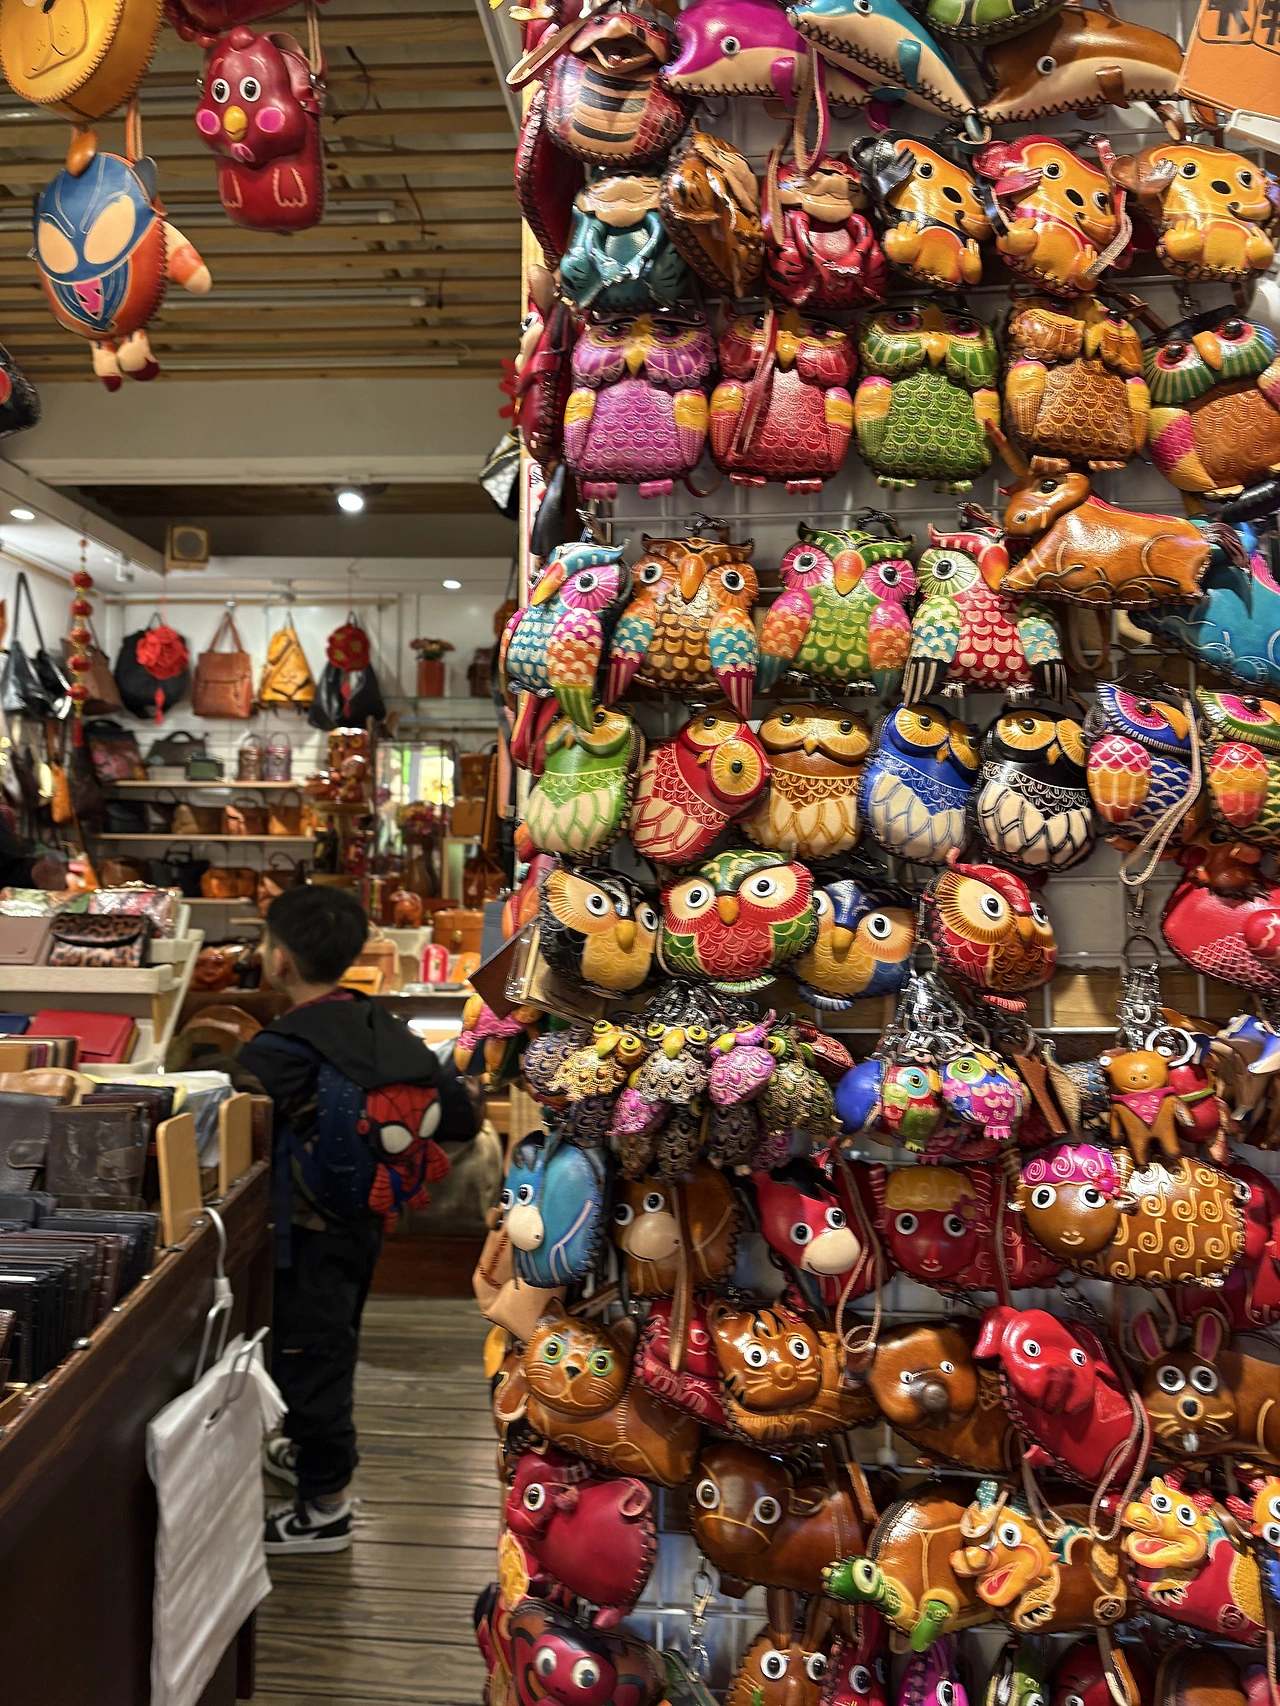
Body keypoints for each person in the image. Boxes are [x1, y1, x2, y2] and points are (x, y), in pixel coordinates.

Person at [237, 885, 475, 1555]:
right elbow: (460, 1118)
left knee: (309, 1357)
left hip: (304, 1233)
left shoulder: (275, 1052)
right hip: (366, 1220)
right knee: (331, 1344)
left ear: (280, 960)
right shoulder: (383, 1025)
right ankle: (309, 1457)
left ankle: (326, 1509)